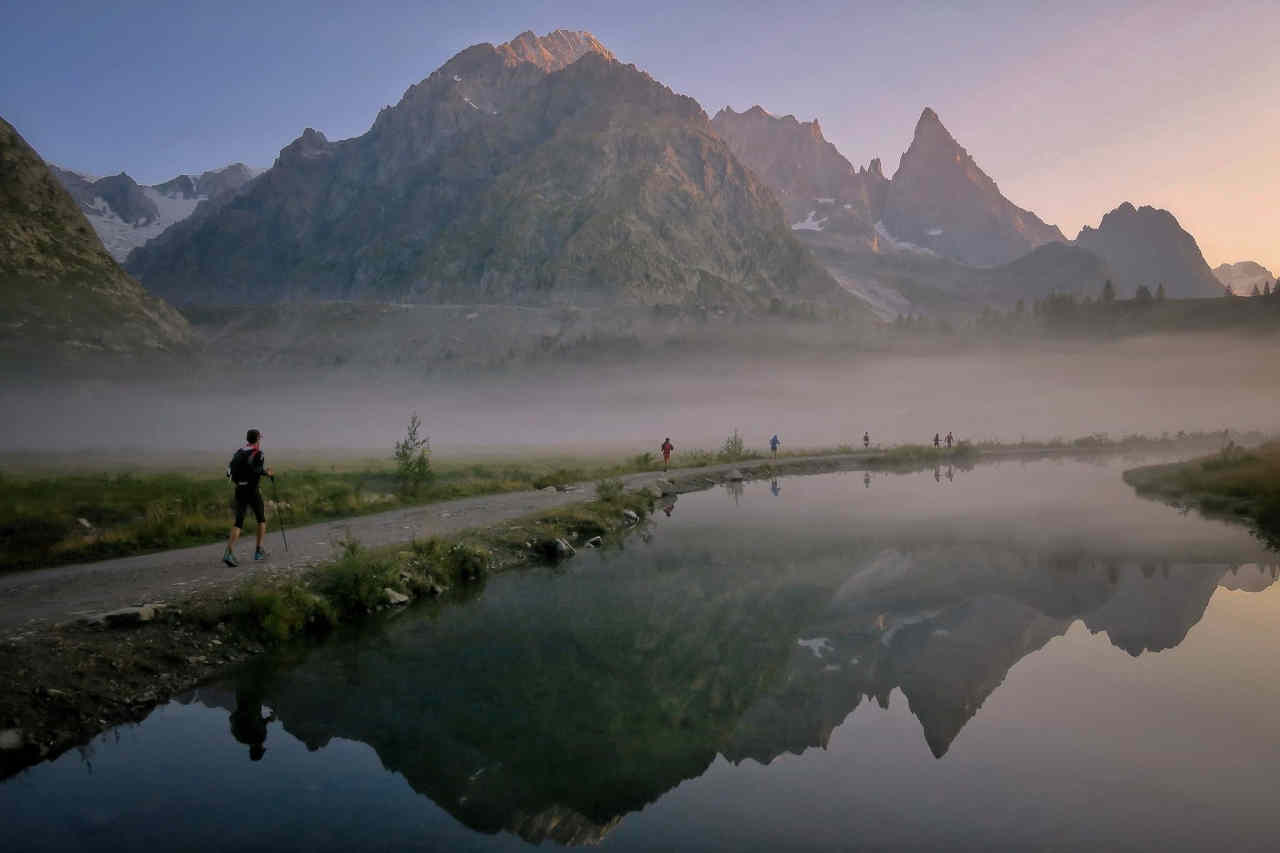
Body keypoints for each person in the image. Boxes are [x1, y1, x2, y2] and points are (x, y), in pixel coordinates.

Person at [224, 428, 274, 567]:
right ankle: (258, 551)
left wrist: (240, 482)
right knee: (261, 519)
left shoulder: (238, 452)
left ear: (247, 439)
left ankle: (228, 553)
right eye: (260, 438)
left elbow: (228, 473)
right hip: (252, 490)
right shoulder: (258, 453)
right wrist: (268, 473)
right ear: (257, 438)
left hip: (239, 489)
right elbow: (257, 470)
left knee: (238, 521)